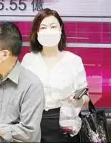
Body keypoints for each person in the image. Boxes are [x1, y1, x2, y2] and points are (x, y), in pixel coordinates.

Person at [22, 8, 89, 142]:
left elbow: (85, 95)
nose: (49, 31)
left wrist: (77, 100)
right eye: (43, 27)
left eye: (53, 26)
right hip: (33, 122)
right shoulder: (28, 59)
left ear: (60, 29)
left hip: (64, 122)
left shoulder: (73, 60)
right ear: (37, 31)